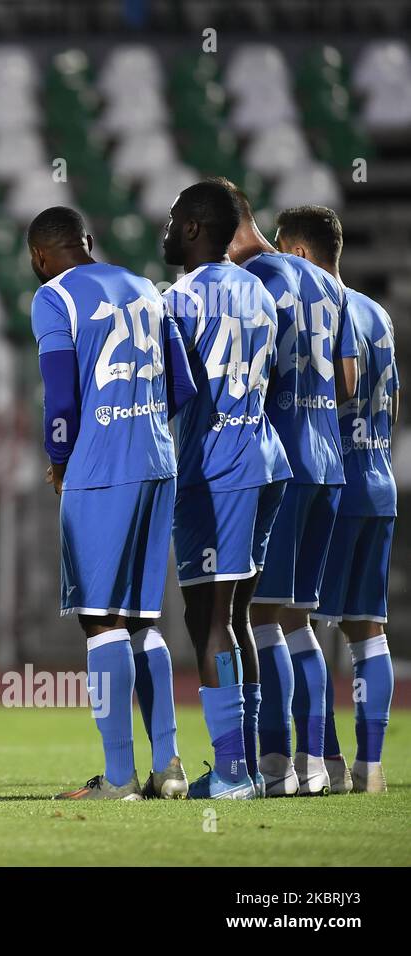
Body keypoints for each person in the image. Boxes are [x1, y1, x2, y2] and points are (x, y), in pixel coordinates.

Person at [28, 205, 194, 801]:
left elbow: (60, 395)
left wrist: (60, 458)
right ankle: (169, 766)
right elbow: (181, 385)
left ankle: (120, 777)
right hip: (158, 463)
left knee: (102, 622)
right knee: (145, 619)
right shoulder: (148, 288)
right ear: (89, 241)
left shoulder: (53, 297)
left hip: (101, 470)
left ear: (39, 257)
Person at [212, 177, 358, 796]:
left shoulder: (260, 280)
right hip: (329, 464)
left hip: (284, 463)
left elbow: (251, 367)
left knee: (259, 617)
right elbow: (349, 383)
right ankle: (315, 764)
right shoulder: (332, 285)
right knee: (300, 622)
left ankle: (272, 765)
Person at [161, 181, 292, 799]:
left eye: (170, 221)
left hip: (217, 467)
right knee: (233, 614)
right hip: (265, 457)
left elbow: (173, 390)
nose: (164, 231)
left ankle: (234, 771)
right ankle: (256, 766)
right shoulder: (261, 293)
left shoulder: (180, 299)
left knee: (209, 616)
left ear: (192, 228)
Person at [280, 206, 398, 795]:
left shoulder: (323, 309)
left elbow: (340, 387)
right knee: (368, 631)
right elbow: (392, 407)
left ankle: (320, 759)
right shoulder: (379, 314)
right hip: (381, 482)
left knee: (297, 622)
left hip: (334, 483)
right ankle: (370, 768)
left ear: (300, 254)